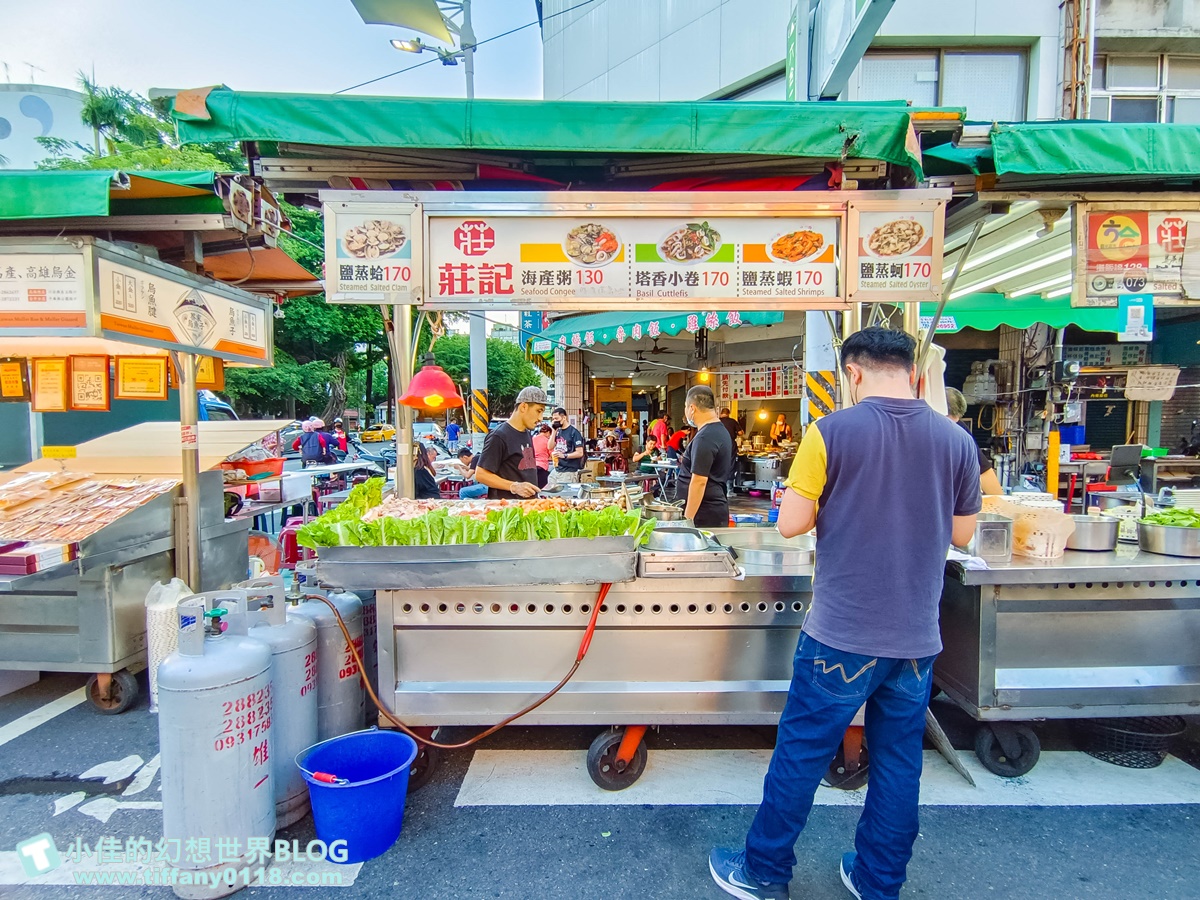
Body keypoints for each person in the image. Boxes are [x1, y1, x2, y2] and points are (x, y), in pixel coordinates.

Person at [709, 328, 981, 900]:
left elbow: (789, 524)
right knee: (899, 762)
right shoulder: (956, 440)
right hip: (915, 639)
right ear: (911, 369)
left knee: (803, 751)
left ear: (853, 373)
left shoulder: (828, 432)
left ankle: (763, 871)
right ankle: (878, 881)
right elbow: (962, 532)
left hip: (842, 634)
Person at [676, 386, 734, 528]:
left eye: (685, 407)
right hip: (712, 510)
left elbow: (699, 481)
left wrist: (687, 521)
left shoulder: (705, 437)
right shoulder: (720, 431)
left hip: (703, 515)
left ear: (692, 408)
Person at [475, 386, 547, 499]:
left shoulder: (527, 433)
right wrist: (514, 486)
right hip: (507, 510)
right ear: (524, 406)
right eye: (539, 411)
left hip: (528, 506)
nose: (540, 418)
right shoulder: (499, 436)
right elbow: (480, 474)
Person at [945, 387, 1004, 495]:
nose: (952, 429)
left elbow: (983, 470)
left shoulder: (960, 431)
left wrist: (1000, 503)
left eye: (955, 423)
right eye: (947, 423)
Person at [549, 407, 585, 485]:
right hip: (557, 469)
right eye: (553, 419)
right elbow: (549, 446)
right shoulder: (558, 431)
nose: (554, 421)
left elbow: (580, 453)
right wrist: (553, 431)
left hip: (569, 470)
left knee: (565, 494)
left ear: (564, 418)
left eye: (556, 418)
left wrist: (564, 455)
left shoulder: (574, 432)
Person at [532, 423, 553, 489]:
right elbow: (552, 455)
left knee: (533, 487)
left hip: (532, 466)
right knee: (542, 489)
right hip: (542, 467)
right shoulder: (548, 441)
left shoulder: (532, 439)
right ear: (548, 432)